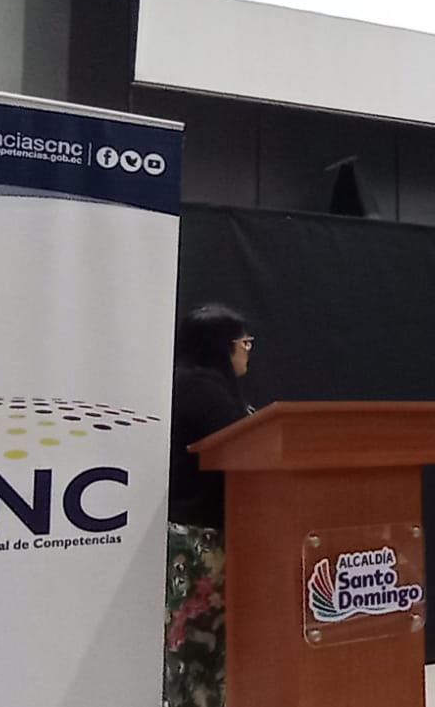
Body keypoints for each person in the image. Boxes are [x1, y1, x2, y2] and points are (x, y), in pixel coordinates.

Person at [165, 303, 255, 707]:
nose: (248, 351)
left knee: (193, 654)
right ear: (223, 345)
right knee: (199, 652)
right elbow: (244, 448)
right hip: (201, 544)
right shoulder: (203, 390)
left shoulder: (187, 383)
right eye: (244, 343)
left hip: (192, 534)